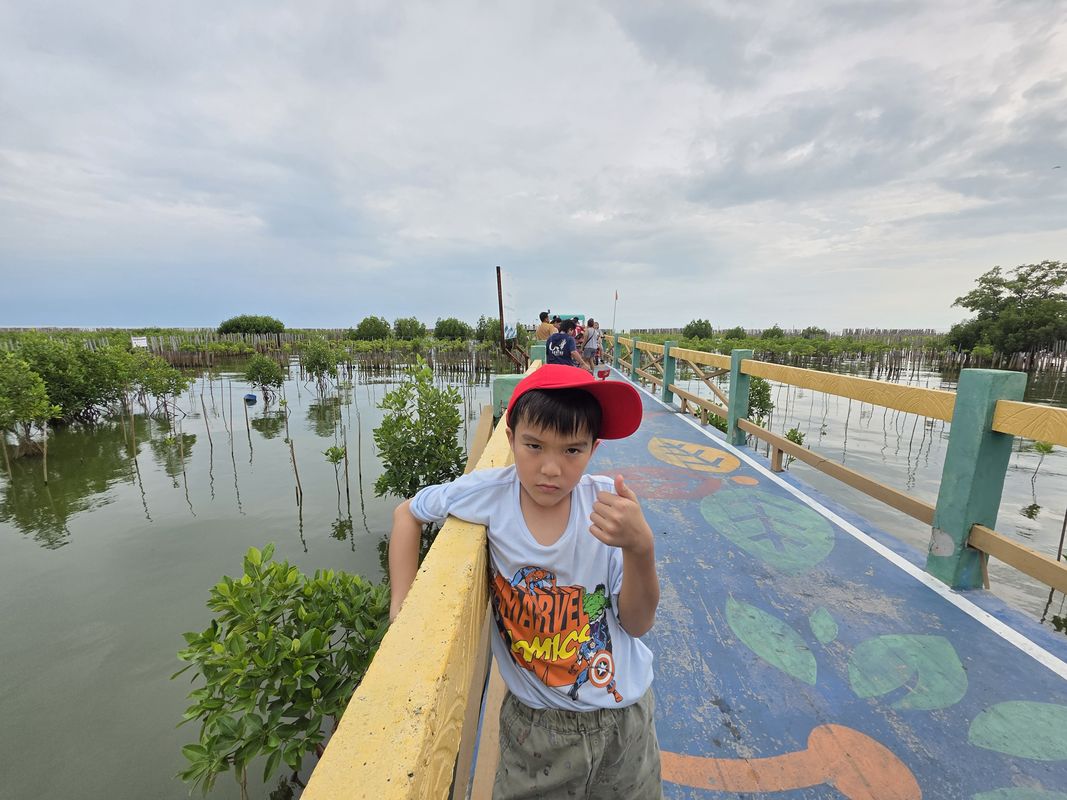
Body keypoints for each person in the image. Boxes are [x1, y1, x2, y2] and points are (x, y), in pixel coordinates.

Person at [388, 365, 662, 798]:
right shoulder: (489, 494)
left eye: (572, 450)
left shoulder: (606, 508)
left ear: (594, 448)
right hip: (535, 729)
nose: (550, 468)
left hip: (623, 722)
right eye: (534, 446)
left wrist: (639, 547)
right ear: (511, 437)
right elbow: (407, 514)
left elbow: (637, 623)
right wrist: (400, 610)